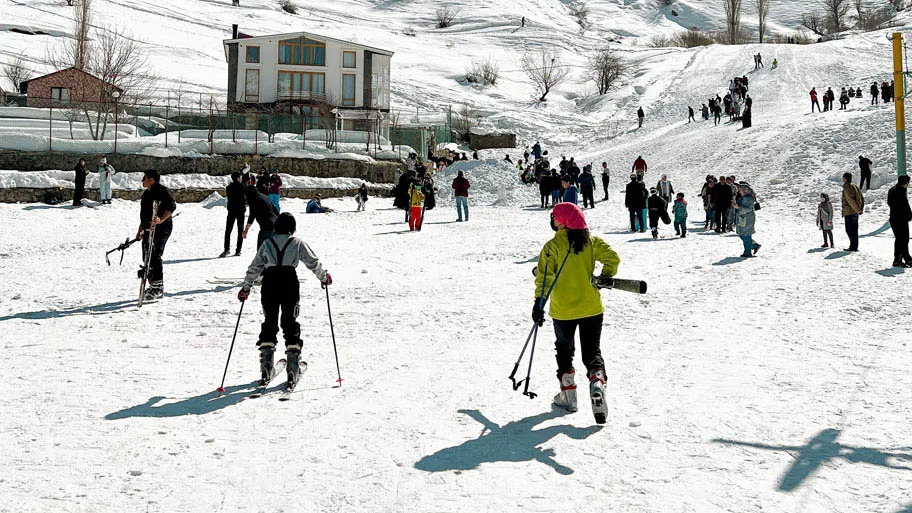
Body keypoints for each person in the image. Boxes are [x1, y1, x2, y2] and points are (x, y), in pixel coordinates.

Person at [532, 202, 620, 424]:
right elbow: (613, 258)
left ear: (562, 221)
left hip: (563, 311)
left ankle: (569, 395)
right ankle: (597, 382)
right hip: (591, 307)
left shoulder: (552, 247)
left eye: (554, 217)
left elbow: (544, 279)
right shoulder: (591, 242)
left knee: (564, 350)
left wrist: (538, 303)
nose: (552, 220)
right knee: (592, 351)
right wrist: (604, 277)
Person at [237, 212, 332, 391]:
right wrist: (323, 277)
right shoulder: (297, 243)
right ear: (292, 227)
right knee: (289, 321)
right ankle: (292, 367)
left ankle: (266, 368)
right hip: (289, 282)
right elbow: (313, 262)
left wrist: (246, 287)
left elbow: (255, 267)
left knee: (270, 320)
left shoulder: (267, 243)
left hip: (270, 282)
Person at [134, 169, 176, 302]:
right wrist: (141, 229)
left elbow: (171, 207)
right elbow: (144, 215)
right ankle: (153, 284)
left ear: (152, 180)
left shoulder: (163, 191)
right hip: (148, 228)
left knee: (155, 254)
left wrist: (160, 219)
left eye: (144, 178)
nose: (142, 180)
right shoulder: (146, 194)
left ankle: (158, 287)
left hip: (162, 227)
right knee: (146, 254)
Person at [244, 184, 279, 249]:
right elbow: (276, 211)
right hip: (275, 225)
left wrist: (246, 230)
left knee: (261, 250)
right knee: (273, 250)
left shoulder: (254, 200)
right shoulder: (265, 197)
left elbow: (252, 216)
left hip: (266, 227)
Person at [887, 175, 912, 267]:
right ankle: (907, 259)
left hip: (895, 218)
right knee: (903, 239)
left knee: (900, 239)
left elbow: (890, 203)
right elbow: (903, 205)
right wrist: (907, 214)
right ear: (905, 182)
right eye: (908, 182)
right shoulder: (900, 191)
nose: (908, 184)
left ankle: (897, 260)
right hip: (900, 219)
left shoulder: (893, 189)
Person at [221, 172, 246, 258]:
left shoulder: (228, 187)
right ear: (238, 178)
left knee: (228, 230)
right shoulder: (242, 186)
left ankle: (226, 249)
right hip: (240, 210)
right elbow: (245, 197)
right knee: (240, 230)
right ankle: (238, 250)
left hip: (231, 210)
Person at [735, 181, 760, 258]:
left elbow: (748, 209)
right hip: (743, 218)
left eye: (740, 190)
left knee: (746, 235)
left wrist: (738, 207)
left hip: (747, 219)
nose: (739, 191)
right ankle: (754, 245)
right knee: (742, 234)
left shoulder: (748, 198)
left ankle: (747, 252)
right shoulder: (744, 197)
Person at [841, 172, 865, 252]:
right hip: (855, 212)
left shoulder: (847, 186)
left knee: (849, 230)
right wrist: (860, 209)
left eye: (843, 177)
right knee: (854, 230)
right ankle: (854, 246)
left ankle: (853, 247)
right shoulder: (855, 186)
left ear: (845, 178)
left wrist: (858, 210)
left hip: (850, 211)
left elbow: (850, 200)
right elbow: (861, 198)